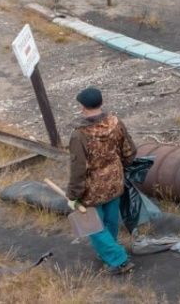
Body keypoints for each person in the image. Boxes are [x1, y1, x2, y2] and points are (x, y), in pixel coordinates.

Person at [66, 87, 137, 275]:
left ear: (82, 107)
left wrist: (73, 195)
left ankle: (118, 260)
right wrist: (118, 167)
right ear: (101, 103)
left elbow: (78, 170)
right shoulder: (116, 123)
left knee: (92, 227)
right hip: (115, 183)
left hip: (92, 190)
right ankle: (108, 252)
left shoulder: (79, 135)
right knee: (111, 221)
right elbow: (130, 152)